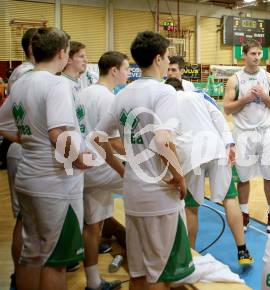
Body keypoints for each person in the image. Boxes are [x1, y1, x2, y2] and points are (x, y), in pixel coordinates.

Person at [95, 31, 194, 290]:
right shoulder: (163, 93)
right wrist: (179, 176)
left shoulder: (123, 94)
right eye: (167, 55)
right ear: (159, 58)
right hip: (159, 195)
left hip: (134, 190)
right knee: (159, 274)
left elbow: (98, 138)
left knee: (138, 270)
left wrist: (124, 167)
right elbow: (162, 140)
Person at [0, 27, 88, 290]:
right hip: (55, 183)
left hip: (29, 176)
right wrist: (81, 159)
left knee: (32, 253)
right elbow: (57, 133)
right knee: (55, 260)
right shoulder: (57, 83)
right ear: (62, 52)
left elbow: (3, 124)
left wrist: (28, 141)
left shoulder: (22, 82)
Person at [165, 77, 254, 265]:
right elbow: (219, 118)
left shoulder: (166, 103)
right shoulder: (199, 96)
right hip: (216, 148)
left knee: (191, 207)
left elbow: (167, 137)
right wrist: (230, 144)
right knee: (230, 198)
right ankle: (243, 251)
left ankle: (190, 256)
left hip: (191, 154)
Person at [77, 51, 130, 290]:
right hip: (102, 167)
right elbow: (113, 142)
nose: (129, 73)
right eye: (127, 69)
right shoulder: (109, 98)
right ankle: (153, 262)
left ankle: (93, 282)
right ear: (114, 71)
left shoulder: (82, 93)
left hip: (83, 169)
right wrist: (139, 158)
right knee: (152, 185)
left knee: (93, 226)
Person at [224, 39, 270, 233]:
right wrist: (246, 99)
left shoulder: (269, 78)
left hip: (265, 132)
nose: (257, 57)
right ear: (244, 54)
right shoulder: (235, 79)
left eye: (259, 54)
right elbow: (227, 108)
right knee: (242, 177)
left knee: (269, 175)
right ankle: (244, 213)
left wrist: (264, 97)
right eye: (253, 54)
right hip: (243, 134)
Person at [1, 27, 37, 290]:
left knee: (29, 220)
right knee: (25, 220)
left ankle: (24, 275)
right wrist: (24, 138)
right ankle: (20, 278)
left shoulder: (27, 74)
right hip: (26, 152)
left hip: (28, 151)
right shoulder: (28, 75)